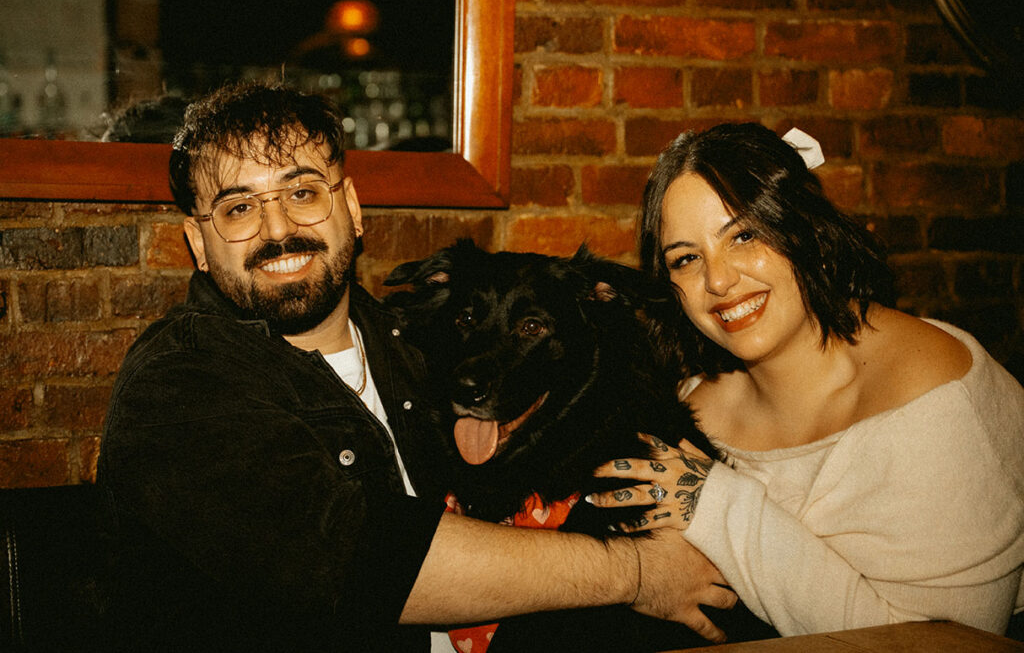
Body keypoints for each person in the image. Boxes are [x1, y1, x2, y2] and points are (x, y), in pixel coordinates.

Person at [96, 82, 737, 652]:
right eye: (239, 208)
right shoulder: (180, 382)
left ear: (350, 207)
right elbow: (371, 566)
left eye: (302, 192)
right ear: (197, 245)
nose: (278, 228)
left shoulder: (415, 346)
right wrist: (637, 573)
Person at [586, 122, 1024, 637]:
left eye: (744, 235)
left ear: (806, 230)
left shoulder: (935, 401)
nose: (719, 280)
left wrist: (716, 503)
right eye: (686, 259)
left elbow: (945, 644)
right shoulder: (689, 402)